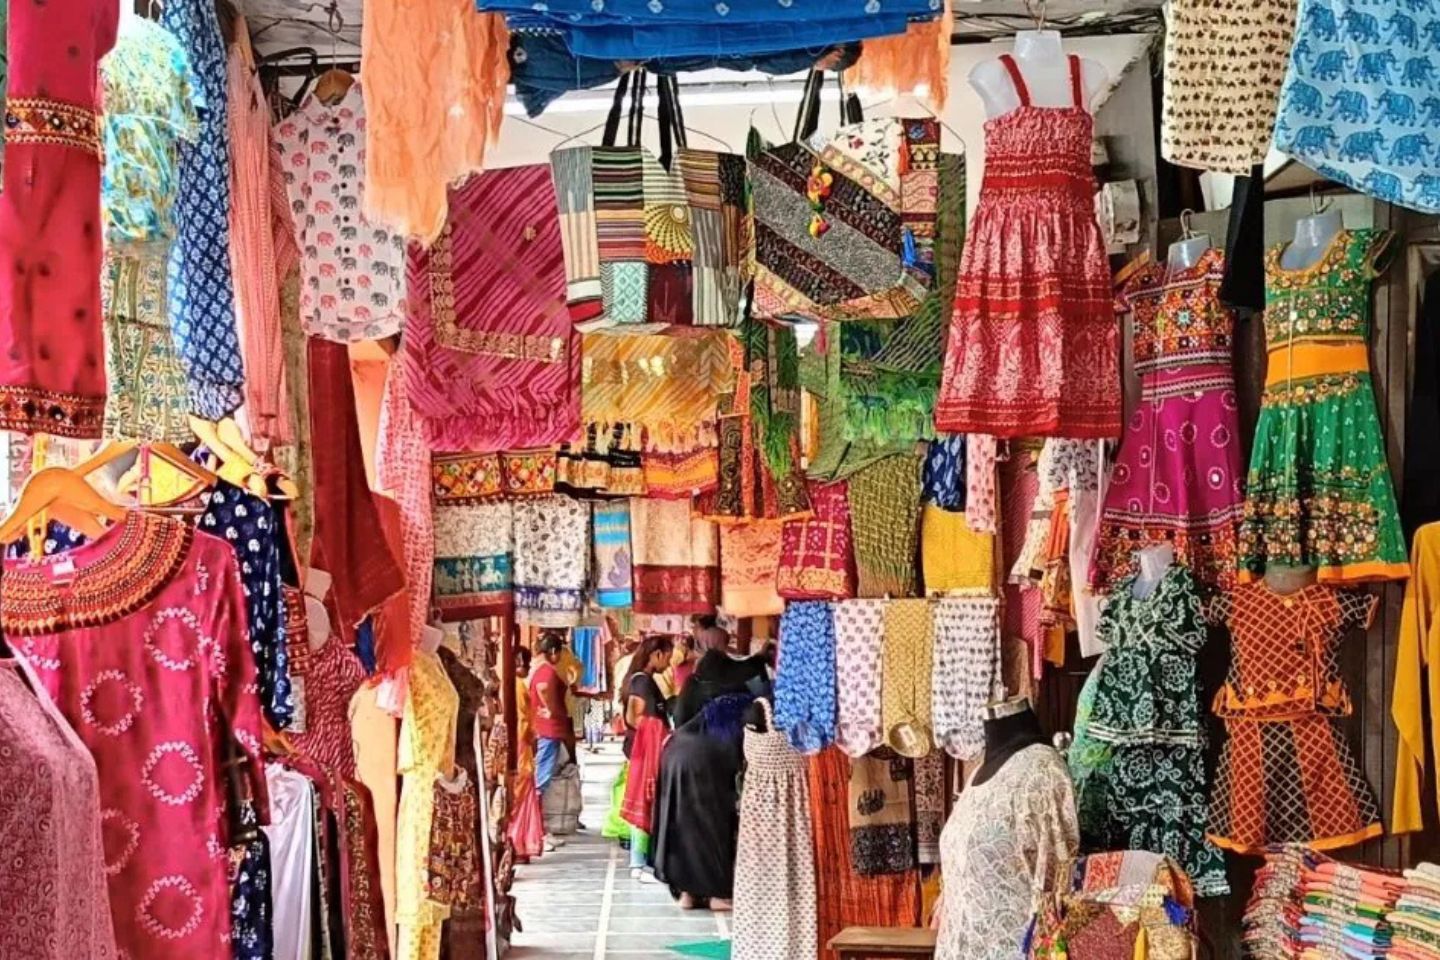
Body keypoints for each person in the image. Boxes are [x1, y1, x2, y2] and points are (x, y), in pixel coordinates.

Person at [652, 623, 773, 910]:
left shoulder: (694, 683)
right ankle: (718, 894)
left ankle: (687, 894)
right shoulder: (744, 691)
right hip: (707, 759)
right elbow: (760, 727)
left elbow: (679, 719)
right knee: (713, 822)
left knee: (680, 822)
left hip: (675, 753)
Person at [619, 633, 674, 882]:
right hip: (643, 751)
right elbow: (633, 717)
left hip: (644, 749)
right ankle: (638, 864)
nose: (670, 663)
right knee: (642, 800)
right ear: (656, 655)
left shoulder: (645, 680)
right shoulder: (641, 682)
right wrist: (655, 731)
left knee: (647, 800)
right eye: (668, 657)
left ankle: (643, 861)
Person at [530, 630, 574, 851]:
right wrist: (553, 712)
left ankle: (541, 831)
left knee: (543, 779)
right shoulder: (547, 672)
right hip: (549, 730)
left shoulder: (539, 670)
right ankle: (539, 833)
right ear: (554, 652)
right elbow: (545, 690)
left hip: (546, 728)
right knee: (541, 781)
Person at [508, 646, 544, 860]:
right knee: (519, 796)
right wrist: (531, 737)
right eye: (525, 664)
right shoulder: (517, 686)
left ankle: (518, 842)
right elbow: (523, 721)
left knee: (518, 795)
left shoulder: (513, 685)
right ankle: (518, 843)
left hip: (519, 746)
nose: (527, 668)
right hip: (519, 746)